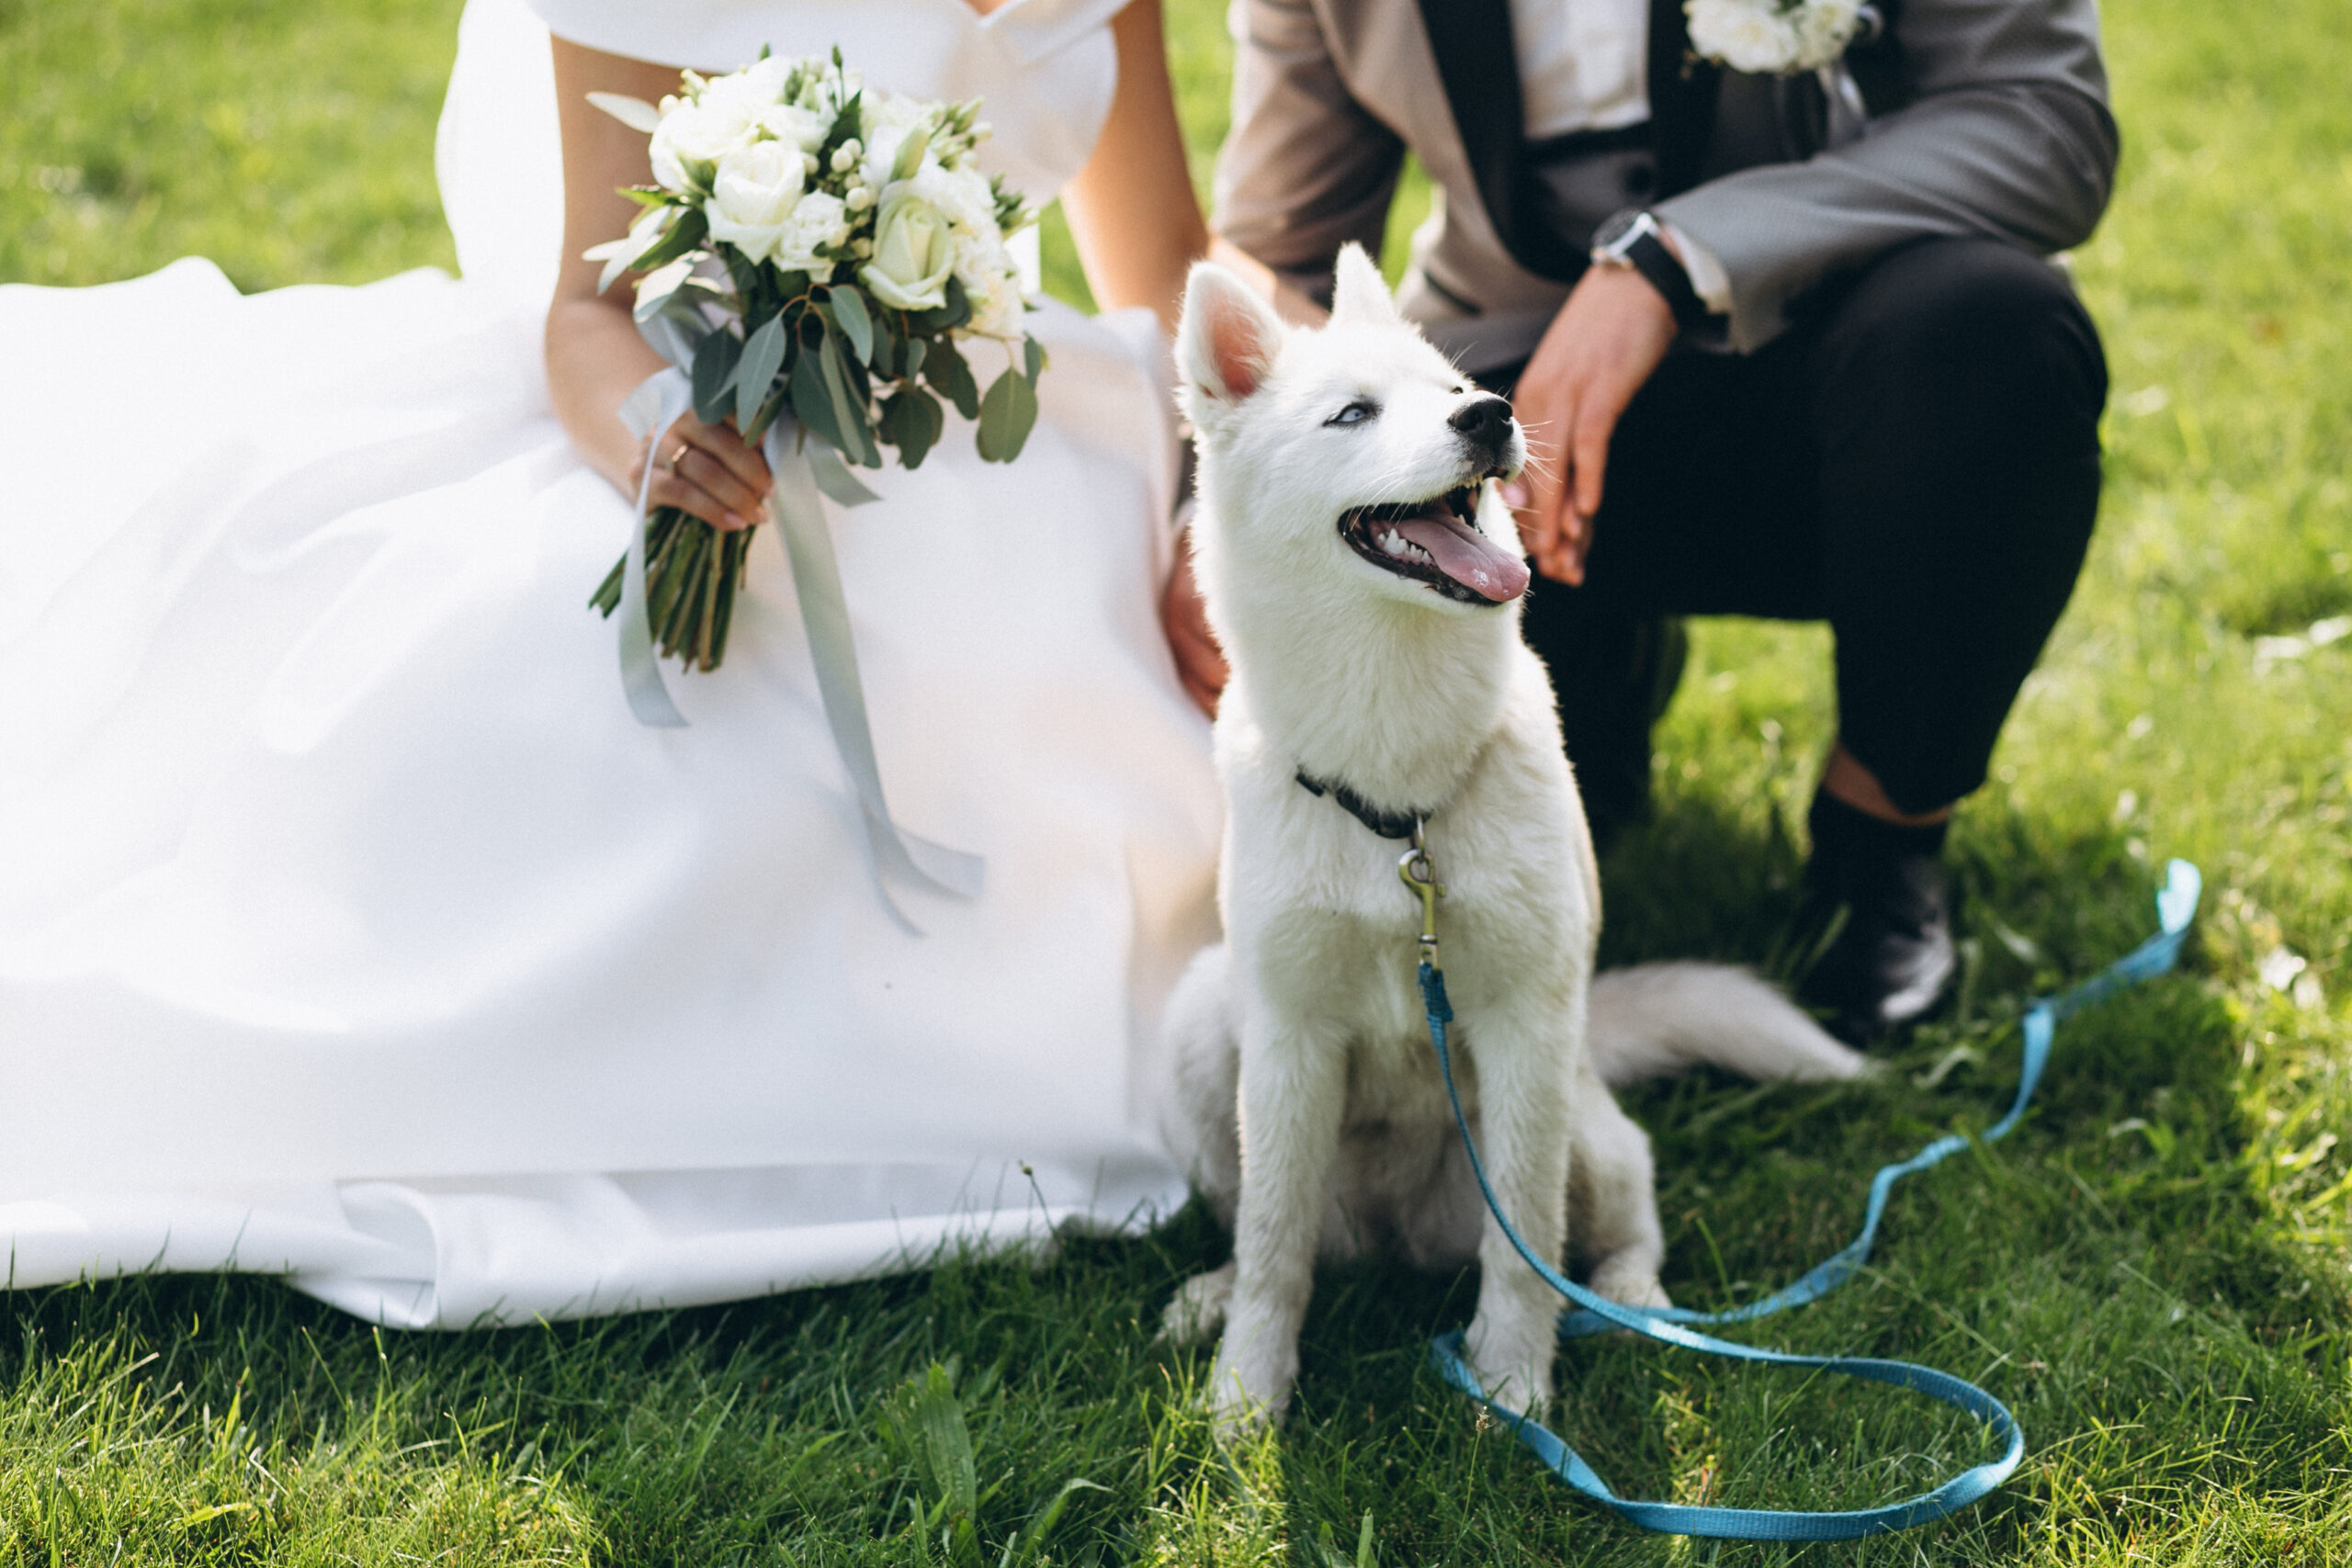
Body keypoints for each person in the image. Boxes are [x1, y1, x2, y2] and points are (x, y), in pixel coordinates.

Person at [0, 0, 1222, 1325]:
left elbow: (1161, 263)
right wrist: (661, 446)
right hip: (689, 413)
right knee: (594, 743)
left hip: (1002, 447)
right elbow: (589, 308)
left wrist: (1209, 504)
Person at [1202, 0, 2117, 1042]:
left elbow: (2044, 118)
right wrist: (1238, 483)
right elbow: (1281, 249)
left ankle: (1882, 837)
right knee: (1506, 780)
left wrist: (1675, 261)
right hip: (1506, 423)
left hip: (1837, 358)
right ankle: (1605, 662)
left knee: (1998, 336)